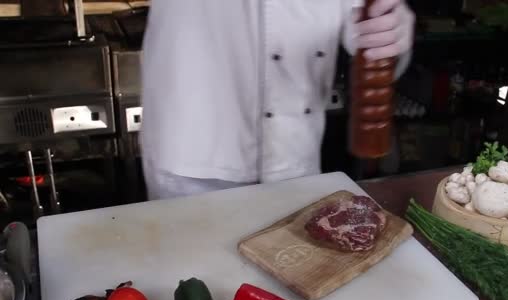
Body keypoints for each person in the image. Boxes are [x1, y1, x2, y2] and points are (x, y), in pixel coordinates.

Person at [141, 0, 415, 200]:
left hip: (296, 160)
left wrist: (388, 34)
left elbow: (365, 31)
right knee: (193, 275)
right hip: (194, 167)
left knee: (296, 271)